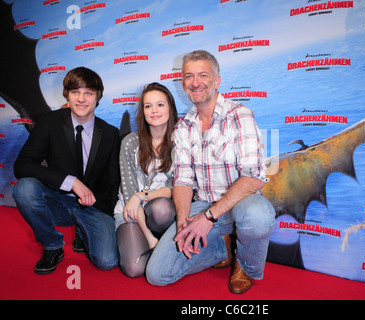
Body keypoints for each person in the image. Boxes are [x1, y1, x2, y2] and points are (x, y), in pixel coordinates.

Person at [146, 50, 276, 294]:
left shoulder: (239, 115)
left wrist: (207, 219)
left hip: (240, 204)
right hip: (203, 204)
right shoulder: (183, 126)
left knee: (258, 215)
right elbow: (183, 180)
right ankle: (221, 248)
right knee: (157, 274)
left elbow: (253, 177)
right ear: (182, 83)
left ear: (216, 81)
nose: (195, 82)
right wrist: (184, 222)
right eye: (189, 76)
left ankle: (244, 266)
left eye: (203, 75)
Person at [13, 67, 120, 274]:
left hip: (92, 205)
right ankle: (52, 244)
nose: (81, 99)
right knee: (24, 189)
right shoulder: (48, 123)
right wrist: (69, 181)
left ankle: (83, 230)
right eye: (75, 92)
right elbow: (23, 165)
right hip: (58, 200)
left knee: (107, 261)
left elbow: (113, 181)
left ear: (98, 97)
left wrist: (111, 215)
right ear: (67, 95)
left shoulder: (110, 134)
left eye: (88, 93)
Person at [114, 82, 178, 278]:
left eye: (160, 105)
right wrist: (150, 239)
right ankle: (149, 240)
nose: (154, 111)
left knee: (163, 209)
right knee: (135, 269)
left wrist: (141, 195)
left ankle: (162, 240)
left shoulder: (180, 141)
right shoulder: (130, 142)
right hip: (131, 211)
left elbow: (173, 188)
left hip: (158, 209)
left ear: (170, 108)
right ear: (142, 111)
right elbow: (129, 194)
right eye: (148, 106)